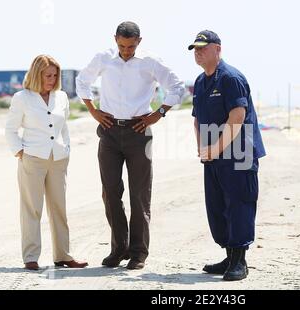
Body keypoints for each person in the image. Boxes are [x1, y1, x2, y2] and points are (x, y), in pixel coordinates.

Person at [76, 21, 185, 270]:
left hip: (139, 131)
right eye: (122, 45)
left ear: (140, 41)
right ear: (115, 39)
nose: (126, 50)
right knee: (110, 192)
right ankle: (118, 249)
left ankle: (138, 253)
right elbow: (82, 81)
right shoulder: (104, 58)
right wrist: (93, 110)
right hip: (109, 131)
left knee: (139, 194)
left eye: (131, 46)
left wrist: (158, 114)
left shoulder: (151, 61)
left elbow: (177, 87)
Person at [188, 30, 266, 281]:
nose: (198, 52)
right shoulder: (200, 82)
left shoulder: (230, 78)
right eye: (195, 49)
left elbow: (237, 117)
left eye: (203, 47)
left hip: (239, 153)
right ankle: (229, 256)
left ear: (218, 49)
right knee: (217, 206)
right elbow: (198, 118)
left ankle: (239, 261)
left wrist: (215, 149)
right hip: (213, 155)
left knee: (239, 204)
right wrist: (203, 148)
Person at [5, 55, 88, 271]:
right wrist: (20, 152)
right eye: (48, 75)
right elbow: (10, 130)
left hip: (58, 159)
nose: (52, 79)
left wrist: (66, 148)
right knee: (32, 209)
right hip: (32, 158)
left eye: (55, 75)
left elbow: (64, 128)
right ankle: (31, 257)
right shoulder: (21, 97)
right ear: (36, 74)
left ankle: (63, 255)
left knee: (59, 208)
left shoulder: (61, 97)